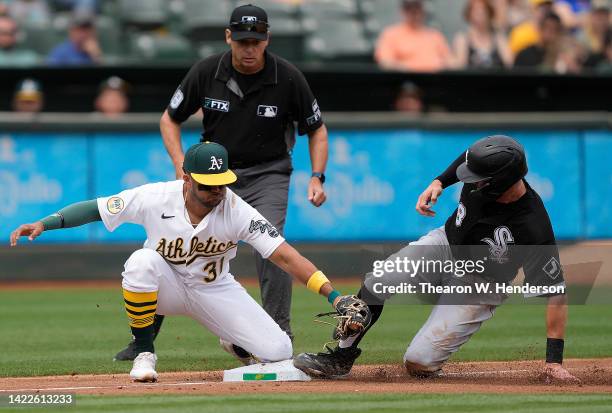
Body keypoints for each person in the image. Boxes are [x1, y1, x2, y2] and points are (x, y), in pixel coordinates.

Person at [9, 142, 367, 382]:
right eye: (208, 184)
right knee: (141, 262)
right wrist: (46, 222)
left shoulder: (237, 209)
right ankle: (145, 352)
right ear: (186, 177)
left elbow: (286, 256)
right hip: (165, 285)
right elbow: (97, 208)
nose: (216, 191)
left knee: (278, 350)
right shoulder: (154, 197)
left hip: (214, 288)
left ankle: (236, 342)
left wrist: (334, 296)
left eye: (221, 183)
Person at [113, 4, 329, 361]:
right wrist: (180, 164)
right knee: (172, 241)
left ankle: (278, 333)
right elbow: (169, 120)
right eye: (242, 40)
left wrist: (318, 176)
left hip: (268, 172)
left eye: (256, 42)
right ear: (229, 37)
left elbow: (316, 128)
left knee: (271, 242)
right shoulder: (206, 71)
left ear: (267, 40)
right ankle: (145, 337)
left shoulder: (288, 77)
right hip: (211, 176)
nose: (248, 49)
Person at [293, 135, 580, 384]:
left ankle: (428, 359)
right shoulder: (489, 169)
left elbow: (555, 293)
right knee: (380, 279)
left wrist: (554, 362)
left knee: (418, 362)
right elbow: (468, 159)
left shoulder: (532, 227)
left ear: (498, 183)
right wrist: (439, 181)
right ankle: (341, 358)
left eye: (476, 176)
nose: (467, 177)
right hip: (445, 245)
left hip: (480, 281)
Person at [374, 0, 452, 72]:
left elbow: (449, 61)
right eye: (409, 8)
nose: (414, 12)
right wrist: (412, 68)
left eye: (417, 8)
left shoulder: (435, 35)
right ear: (402, 11)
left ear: (423, 11)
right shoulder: (391, 34)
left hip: (436, 81)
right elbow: (386, 62)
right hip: (407, 81)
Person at [453, 0, 513, 69]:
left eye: (484, 11)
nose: (480, 14)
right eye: (476, 11)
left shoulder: (499, 38)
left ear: (489, 13)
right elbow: (460, 66)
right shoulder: (463, 39)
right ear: (469, 14)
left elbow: (510, 64)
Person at [514, 12, 581, 73]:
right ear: (540, 28)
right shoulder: (525, 56)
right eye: (547, 28)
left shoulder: (563, 57)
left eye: (555, 30)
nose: (550, 35)